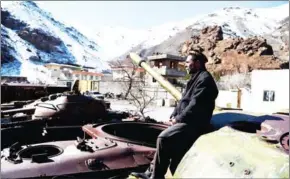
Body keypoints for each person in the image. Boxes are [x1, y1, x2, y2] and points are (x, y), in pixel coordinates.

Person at [131, 51, 219, 179]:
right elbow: (184, 101)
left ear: (198, 63)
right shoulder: (195, 78)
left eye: (188, 62)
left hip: (195, 124)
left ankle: (156, 176)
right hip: (187, 121)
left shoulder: (204, 80)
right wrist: (174, 115)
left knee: (164, 138)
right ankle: (150, 172)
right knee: (164, 138)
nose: (186, 65)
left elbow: (195, 105)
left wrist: (178, 119)